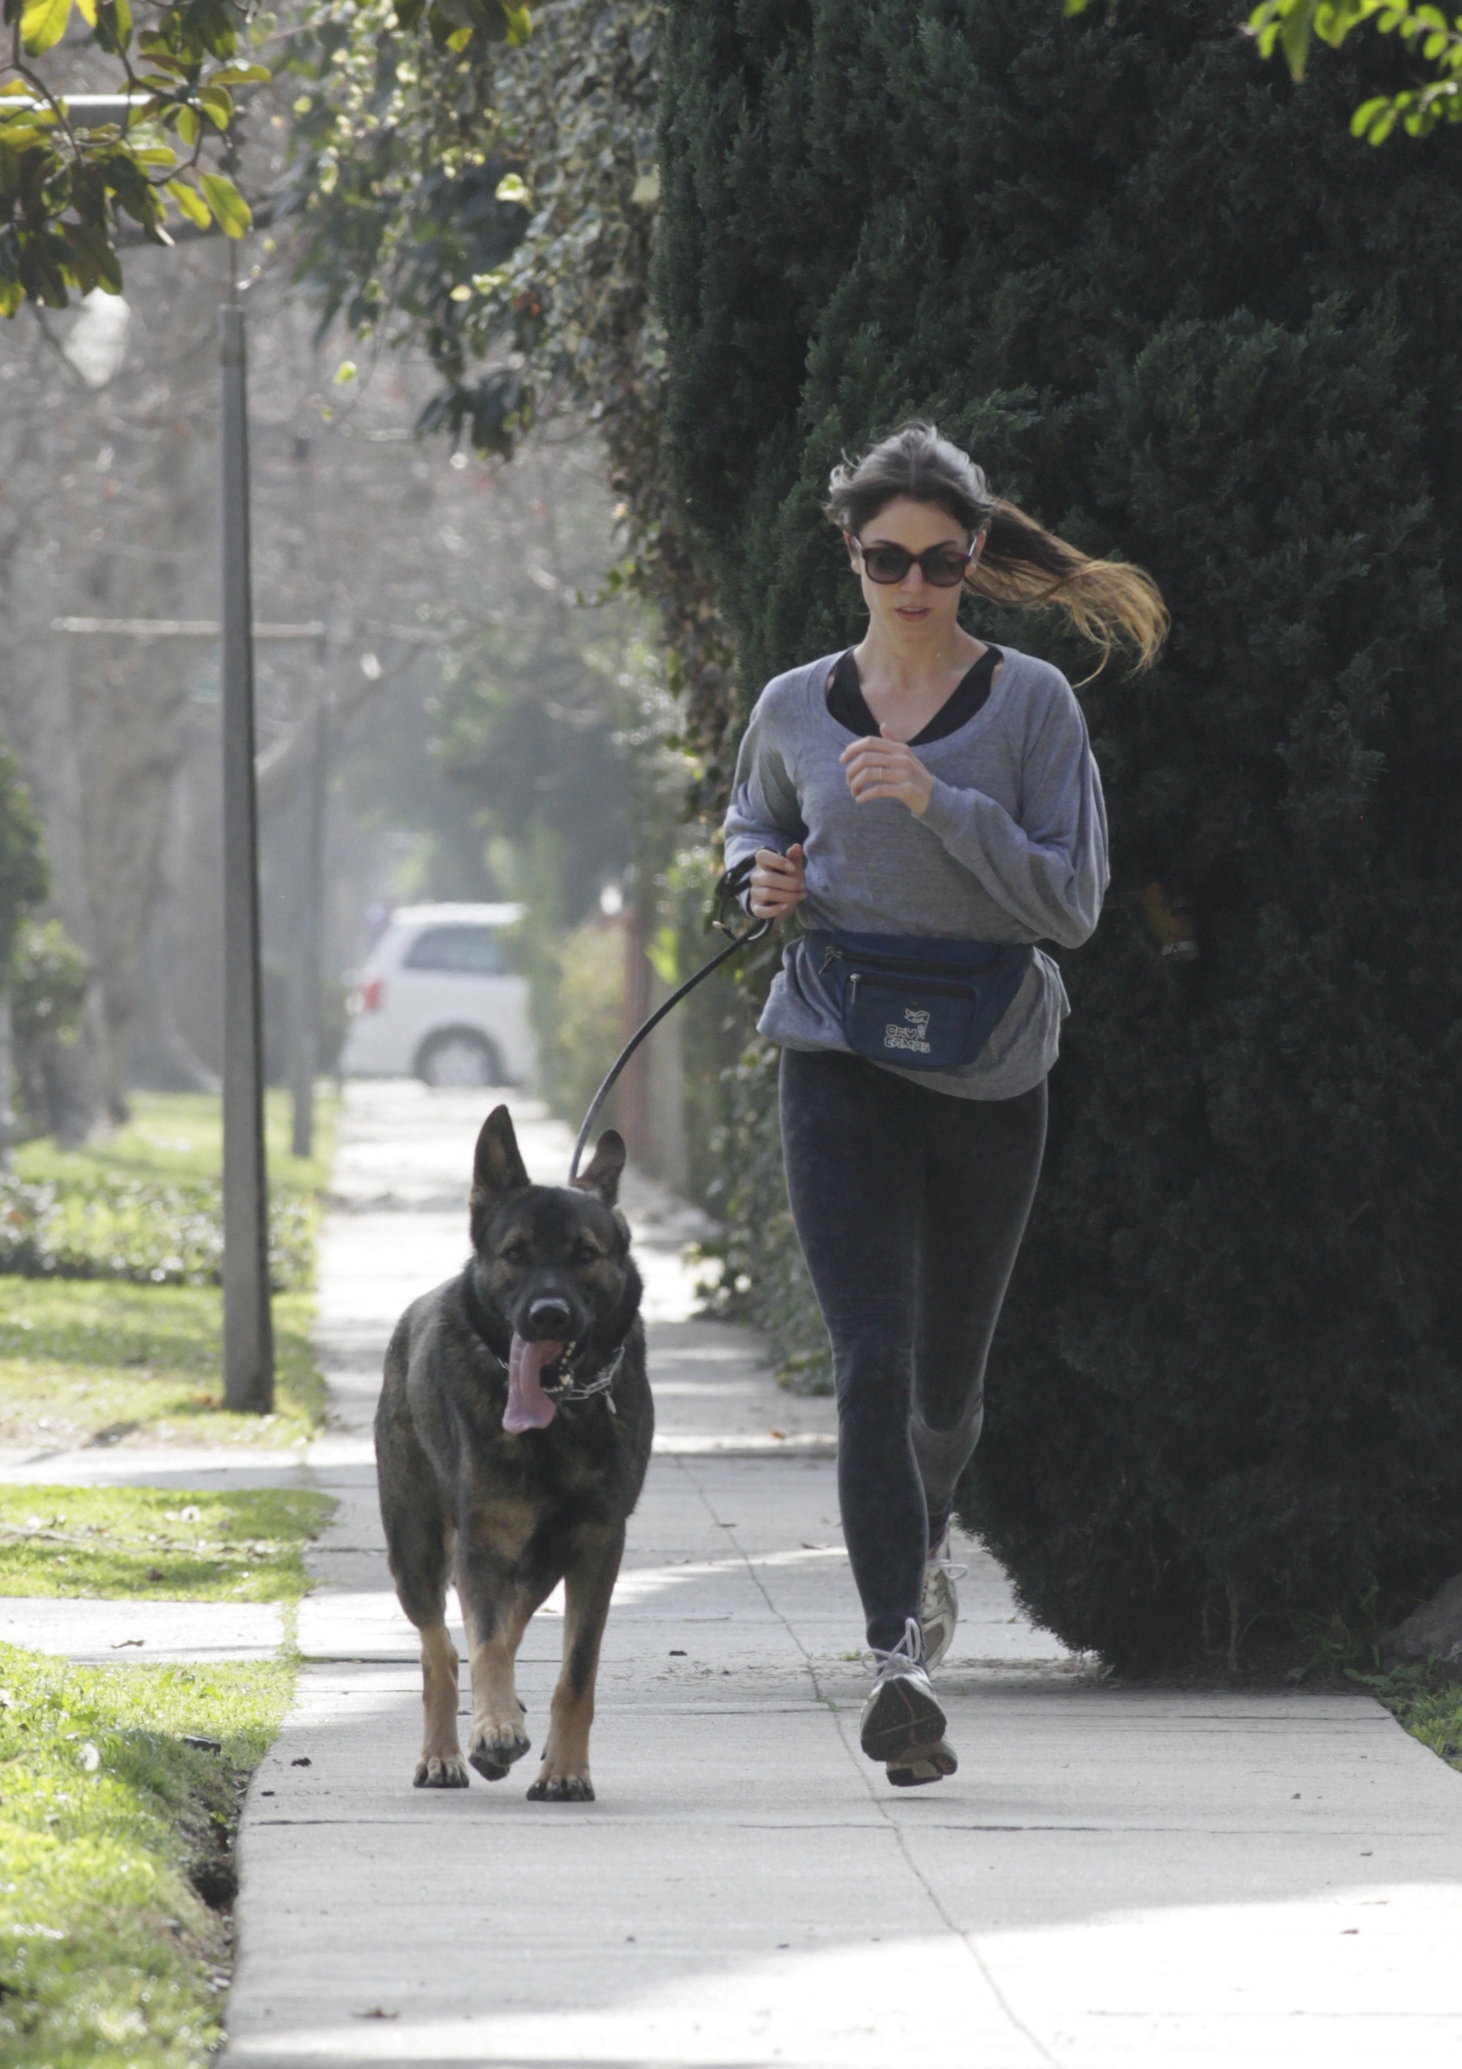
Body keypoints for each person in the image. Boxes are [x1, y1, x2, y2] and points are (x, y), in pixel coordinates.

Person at [722, 423, 1166, 1786]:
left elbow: (1071, 905)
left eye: (937, 558)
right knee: (867, 1354)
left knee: (943, 1378)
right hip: (834, 1046)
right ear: (849, 555)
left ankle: (920, 1544)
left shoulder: (1030, 704)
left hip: (989, 1063)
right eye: (884, 558)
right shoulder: (796, 702)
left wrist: (935, 800)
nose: (911, 583)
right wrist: (759, 884)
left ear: (973, 556)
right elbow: (745, 826)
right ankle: (891, 1658)